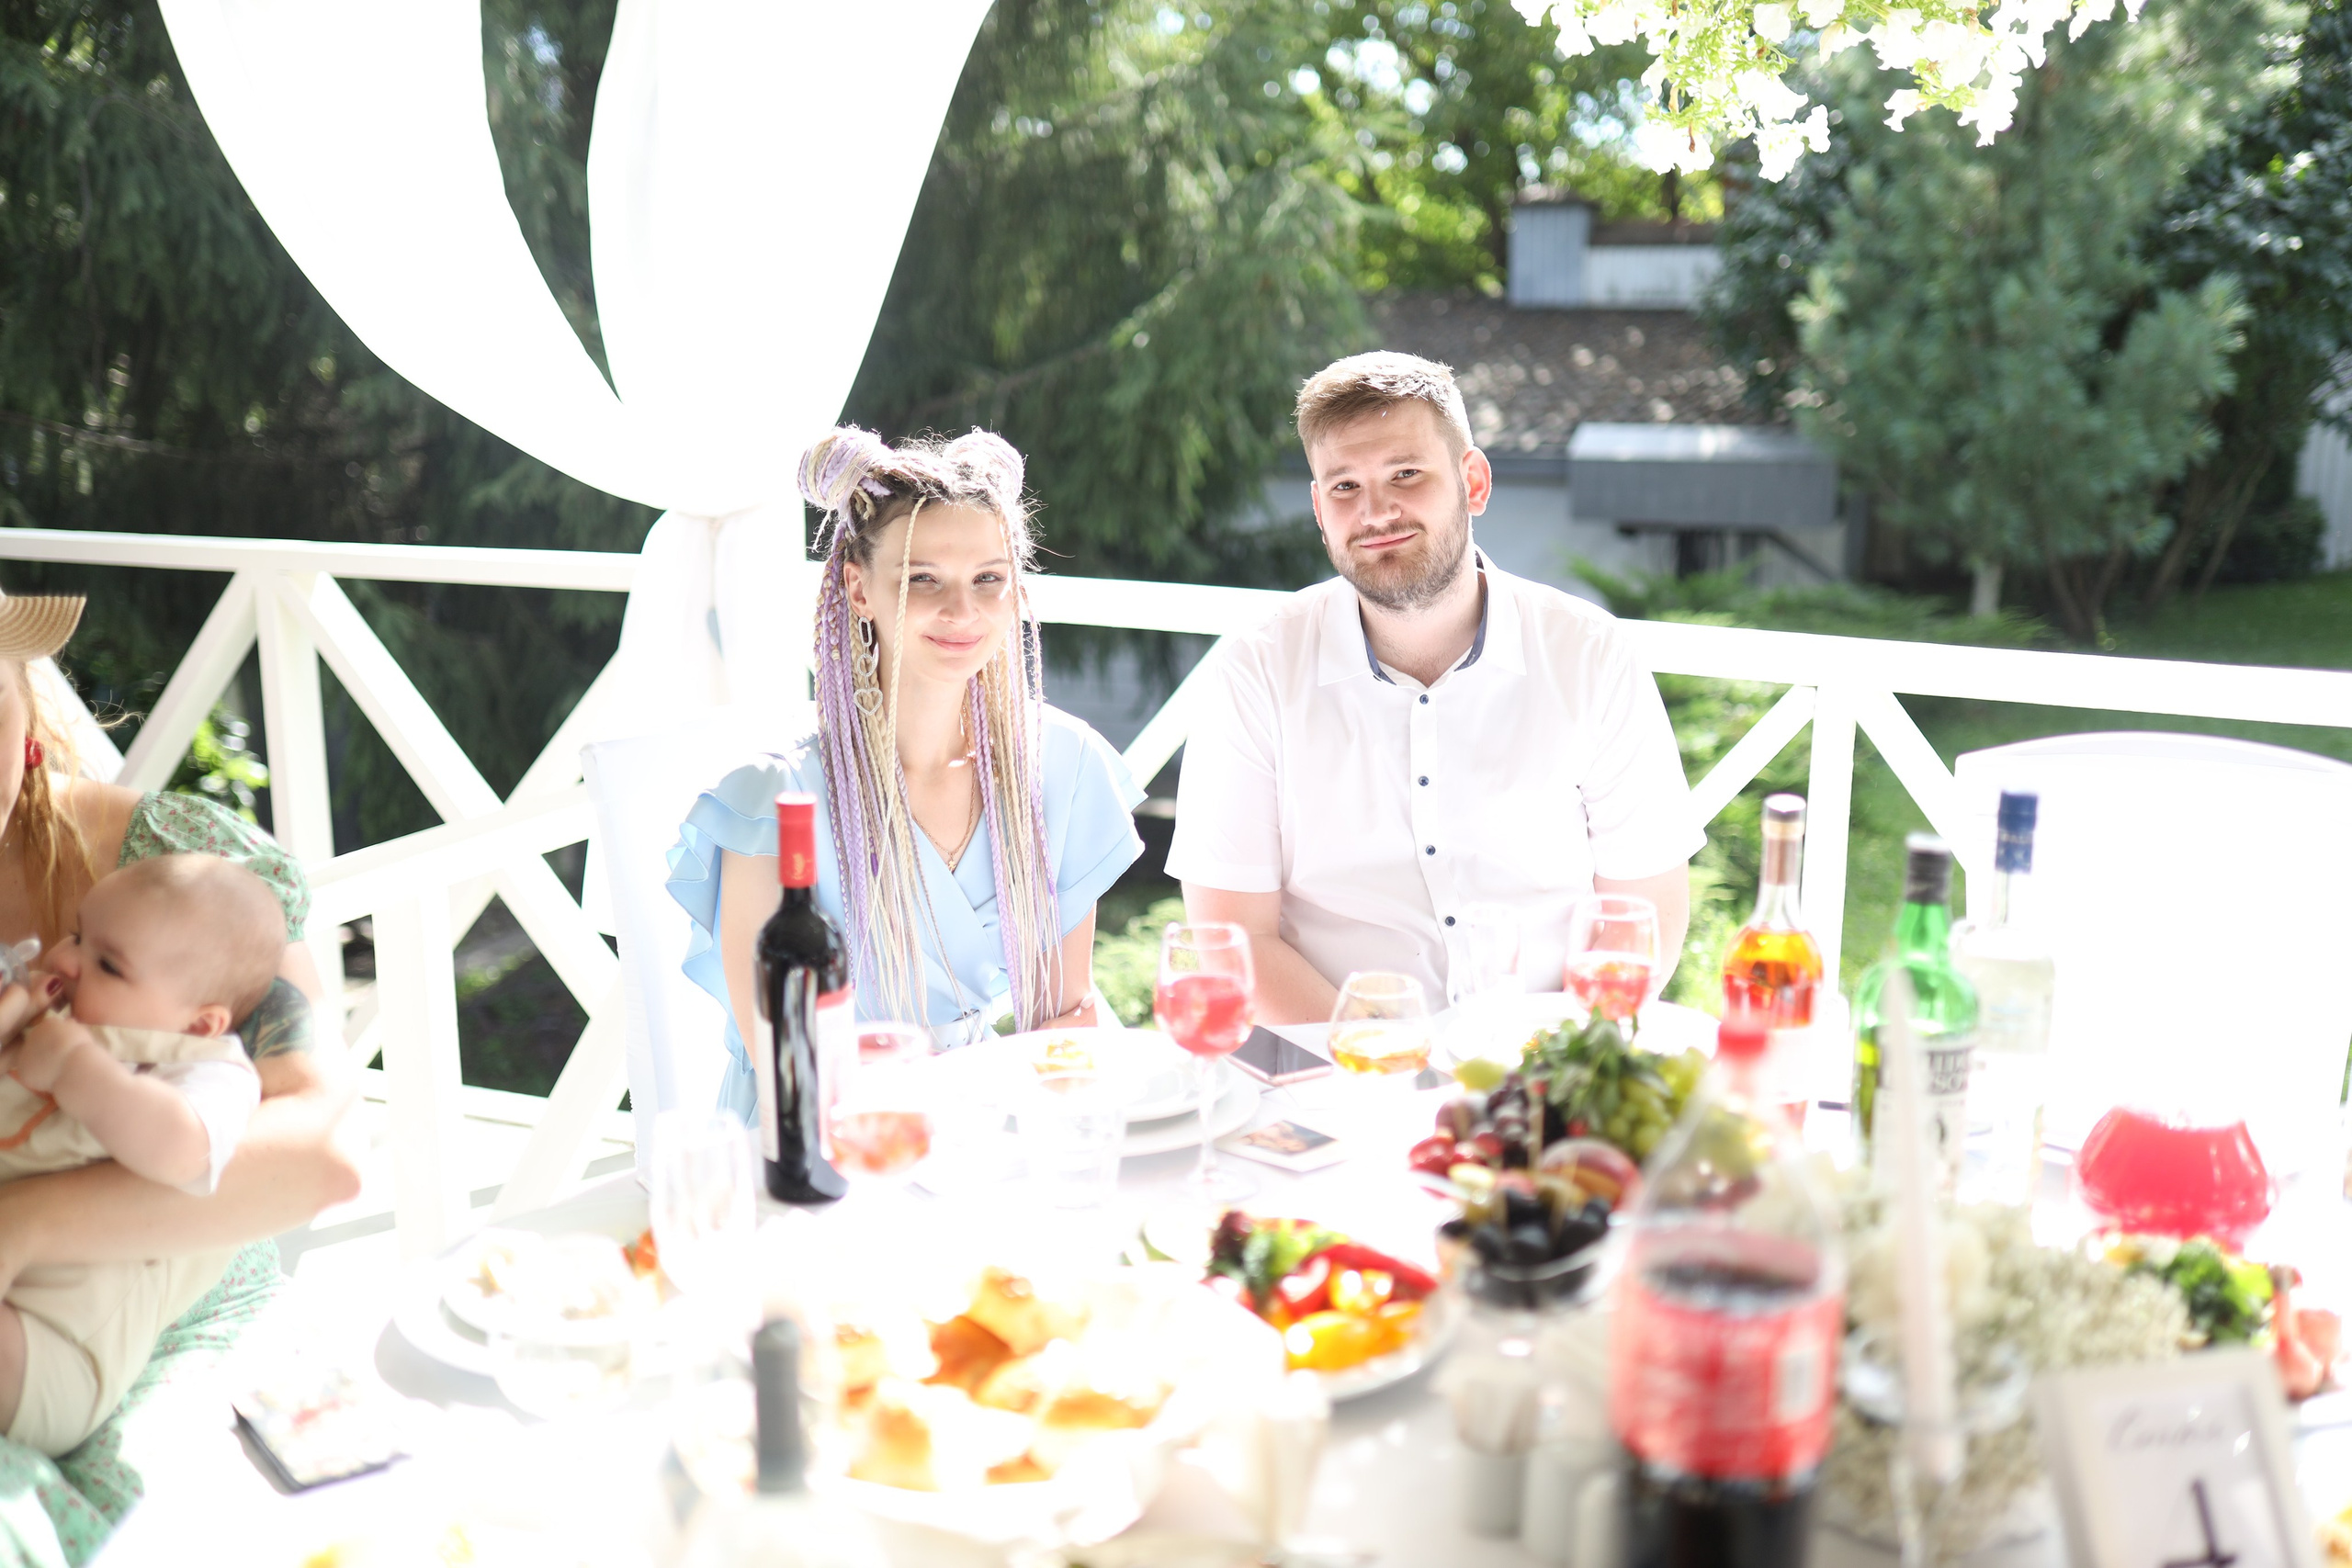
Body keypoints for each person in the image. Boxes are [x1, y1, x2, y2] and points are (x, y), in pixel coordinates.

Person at [1167, 352, 1703, 1023]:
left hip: (1543, 1070)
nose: (1376, 511)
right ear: (1318, 508)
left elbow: (1643, 913)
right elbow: (1234, 940)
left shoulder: (1592, 656)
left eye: (1406, 474)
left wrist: (1558, 1069)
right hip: (1332, 1075)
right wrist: (1384, 1063)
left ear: (1473, 481)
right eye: (1344, 487)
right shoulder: (1254, 671)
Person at [669, 428, 1144, 1097]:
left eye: (989, 579)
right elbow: (785, 1068)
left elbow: (1067, 1016)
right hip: (825, 1147)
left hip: (993, 1123)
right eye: (923, 579)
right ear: (858, 590)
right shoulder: (772, 801)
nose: (962, 610)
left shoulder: (1062, 766)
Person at [0, 855, 283, 1455]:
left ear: (201, 1023)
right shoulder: (50, 1018)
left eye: (107, 964)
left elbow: (180, 1150)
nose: (65, 959)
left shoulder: (208, 1071)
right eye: (77, 933)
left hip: (50, 1348)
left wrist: (82, 1070)